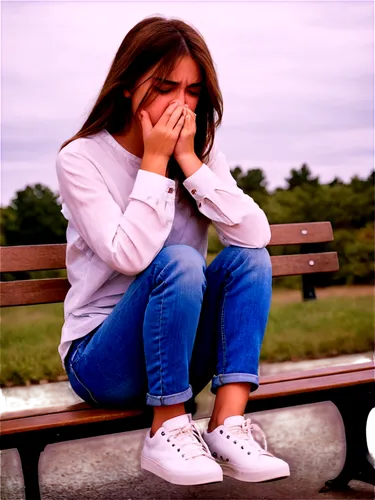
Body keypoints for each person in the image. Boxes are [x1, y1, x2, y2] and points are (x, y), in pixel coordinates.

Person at [56, 15, 290, 486]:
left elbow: (256, 234)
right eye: (165, 87)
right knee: (181, 260)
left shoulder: (200, 149)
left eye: (193, 91)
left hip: (177, 353)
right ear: (128, 85)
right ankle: (167, 427)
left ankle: (227, 422)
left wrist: (189, 162)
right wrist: (156, 162)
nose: (180, 104)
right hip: (102, 361)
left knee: (250, 257)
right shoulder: (80, 159)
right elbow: (131, 258)